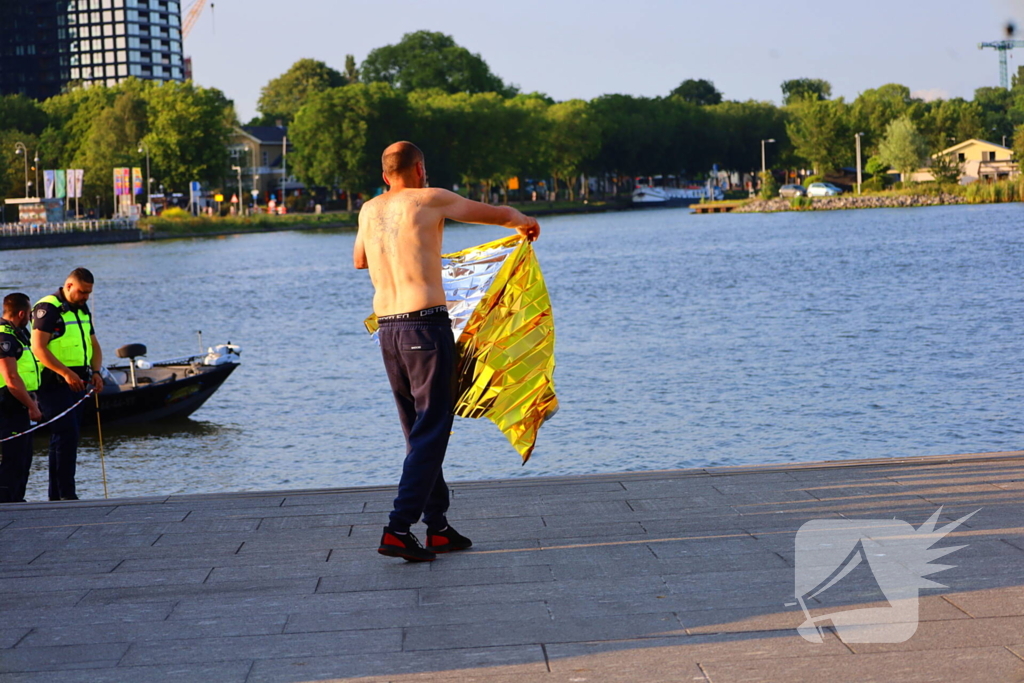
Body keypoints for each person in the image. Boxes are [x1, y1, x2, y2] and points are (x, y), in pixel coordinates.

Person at [354, 141, 540, 562]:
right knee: (432, 430)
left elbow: (360, 261)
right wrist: (523, 221)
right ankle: (398, 528)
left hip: (387, 331)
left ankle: (436, 527)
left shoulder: (368, 210)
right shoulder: (430, 198)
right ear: (420, 168)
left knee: (417, 432)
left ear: (385, 176)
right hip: (425, 325)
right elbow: (496, 215)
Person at [31, 268, 103, 502]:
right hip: (55, 383)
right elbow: (38, 348)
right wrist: (65, 372)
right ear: (69, 286)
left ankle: (58, 495)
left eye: (89, 293)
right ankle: (66, 495)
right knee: (65, 434)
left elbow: (93, 343)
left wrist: (96, 372)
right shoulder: (48, 308)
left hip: (79, 382)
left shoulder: (82, 308)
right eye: (82, 292)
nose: (86, 297)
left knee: (69, 437)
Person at [0, 294, 43, 503]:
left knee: (23, 458)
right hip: (9, 406)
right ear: (21, 313)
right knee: (12, 459)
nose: (30, 319)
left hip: (20, 403)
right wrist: (31, 406)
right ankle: (8, 503)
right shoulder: (5, 338)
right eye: (28, 315)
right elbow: (11, 378)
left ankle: (17, 500)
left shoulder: (17, 334)